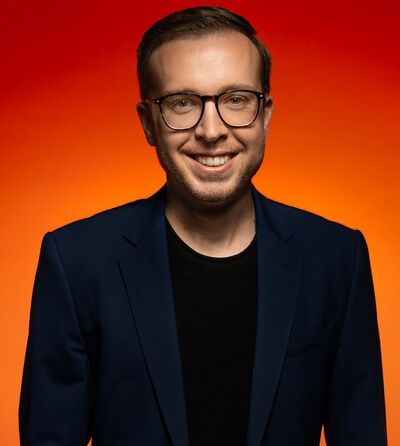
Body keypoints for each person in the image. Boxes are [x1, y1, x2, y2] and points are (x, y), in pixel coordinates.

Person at [19, 6, 387, 446]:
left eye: (236, 99)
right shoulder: (76, 262)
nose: (211, 130)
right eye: (182, 103)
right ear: (148, 123)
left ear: (265, 114)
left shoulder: (337, 258)